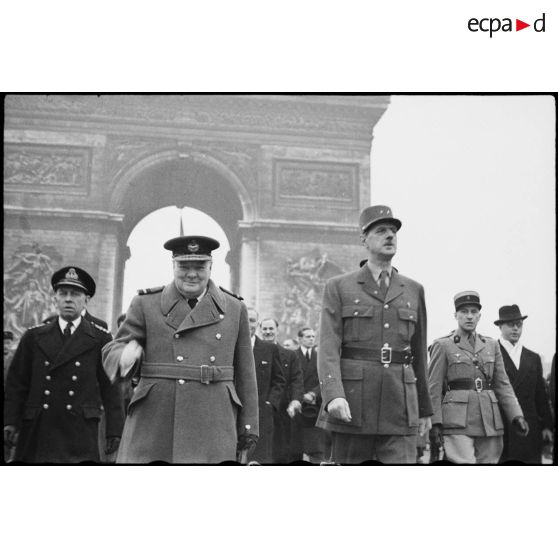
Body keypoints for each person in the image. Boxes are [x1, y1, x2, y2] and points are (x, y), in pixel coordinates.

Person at [102, 236, 259, 463]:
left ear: (211, 267)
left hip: (214, 418)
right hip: (156, 418)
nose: (192, 274)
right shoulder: (145, 303)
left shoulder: (235, 308)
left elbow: (246, 373)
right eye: (184, 266)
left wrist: (248, 429)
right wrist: (123, 357)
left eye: (200, 266)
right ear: (173, 266)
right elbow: (115, 347)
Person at [317, 205, 433, 464]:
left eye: (393, 231)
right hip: (353, 406)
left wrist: (424, 408)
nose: (390, 236)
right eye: (381, 230)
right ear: (364, 239)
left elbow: (419, 355)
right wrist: (333, 394)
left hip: (399, 405)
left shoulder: (414, 290)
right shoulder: (339, 287)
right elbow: (327, 348)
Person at [4, 266, 124, 463]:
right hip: (38, 427)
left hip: (80, 429)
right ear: (55, 299)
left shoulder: (100, 338)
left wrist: (114, 430)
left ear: (86, 300)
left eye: (76, 294)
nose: (68, 299)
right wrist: (9, 421)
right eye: (63, 293)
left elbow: (110, 388)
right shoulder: (33, 337)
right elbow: (17, 384)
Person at [428, 292, 529, 464]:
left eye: (474, 312)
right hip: (457, 421)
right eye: (464, 312)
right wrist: (435, 422)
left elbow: (503, 384)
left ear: (479, 316)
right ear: (455, 315)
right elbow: (434, 387)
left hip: (489, 420)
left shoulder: (491, 345)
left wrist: (516, 415)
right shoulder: (443, 345)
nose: (469, 316)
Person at [494, 305, 553, 463]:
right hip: (502, 427)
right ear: (500, 326)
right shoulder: (491, 353)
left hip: (529, 427)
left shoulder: (533, 358)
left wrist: (547, 425)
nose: (515, 329)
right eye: (510, 324)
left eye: (519, 325)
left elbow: (540, 395)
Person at [259, 317, 304, 463]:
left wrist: (296, 400)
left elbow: (296, 379)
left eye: (271, 328)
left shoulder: (290, 355)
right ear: (260, 330)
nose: (268, 332)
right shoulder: (253, 352)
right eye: (265, 329)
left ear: (277, 331)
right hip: (259, 408)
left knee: (280, 449)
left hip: (282, 410)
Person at [247, 309, 286, 463]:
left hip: (262, 412)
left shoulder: (269, 348)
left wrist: (270, 403)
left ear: (257, 324)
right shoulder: (230, 346)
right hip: (234, 410)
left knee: (260, 457)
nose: (248, 324)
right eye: (245, 319)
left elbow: (279, 380)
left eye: (251, 320)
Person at [292, 327, 330, 462]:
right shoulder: (293, 355)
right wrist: (301, 395)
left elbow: (324, 379)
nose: (311, 339)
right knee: (297, 445)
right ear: (300, 339)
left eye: (313, 336)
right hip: (298, 405)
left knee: (316, 445)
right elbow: (291, 378)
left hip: (315, 405)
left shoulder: (319, 358)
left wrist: (314, 394)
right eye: (308, 336)